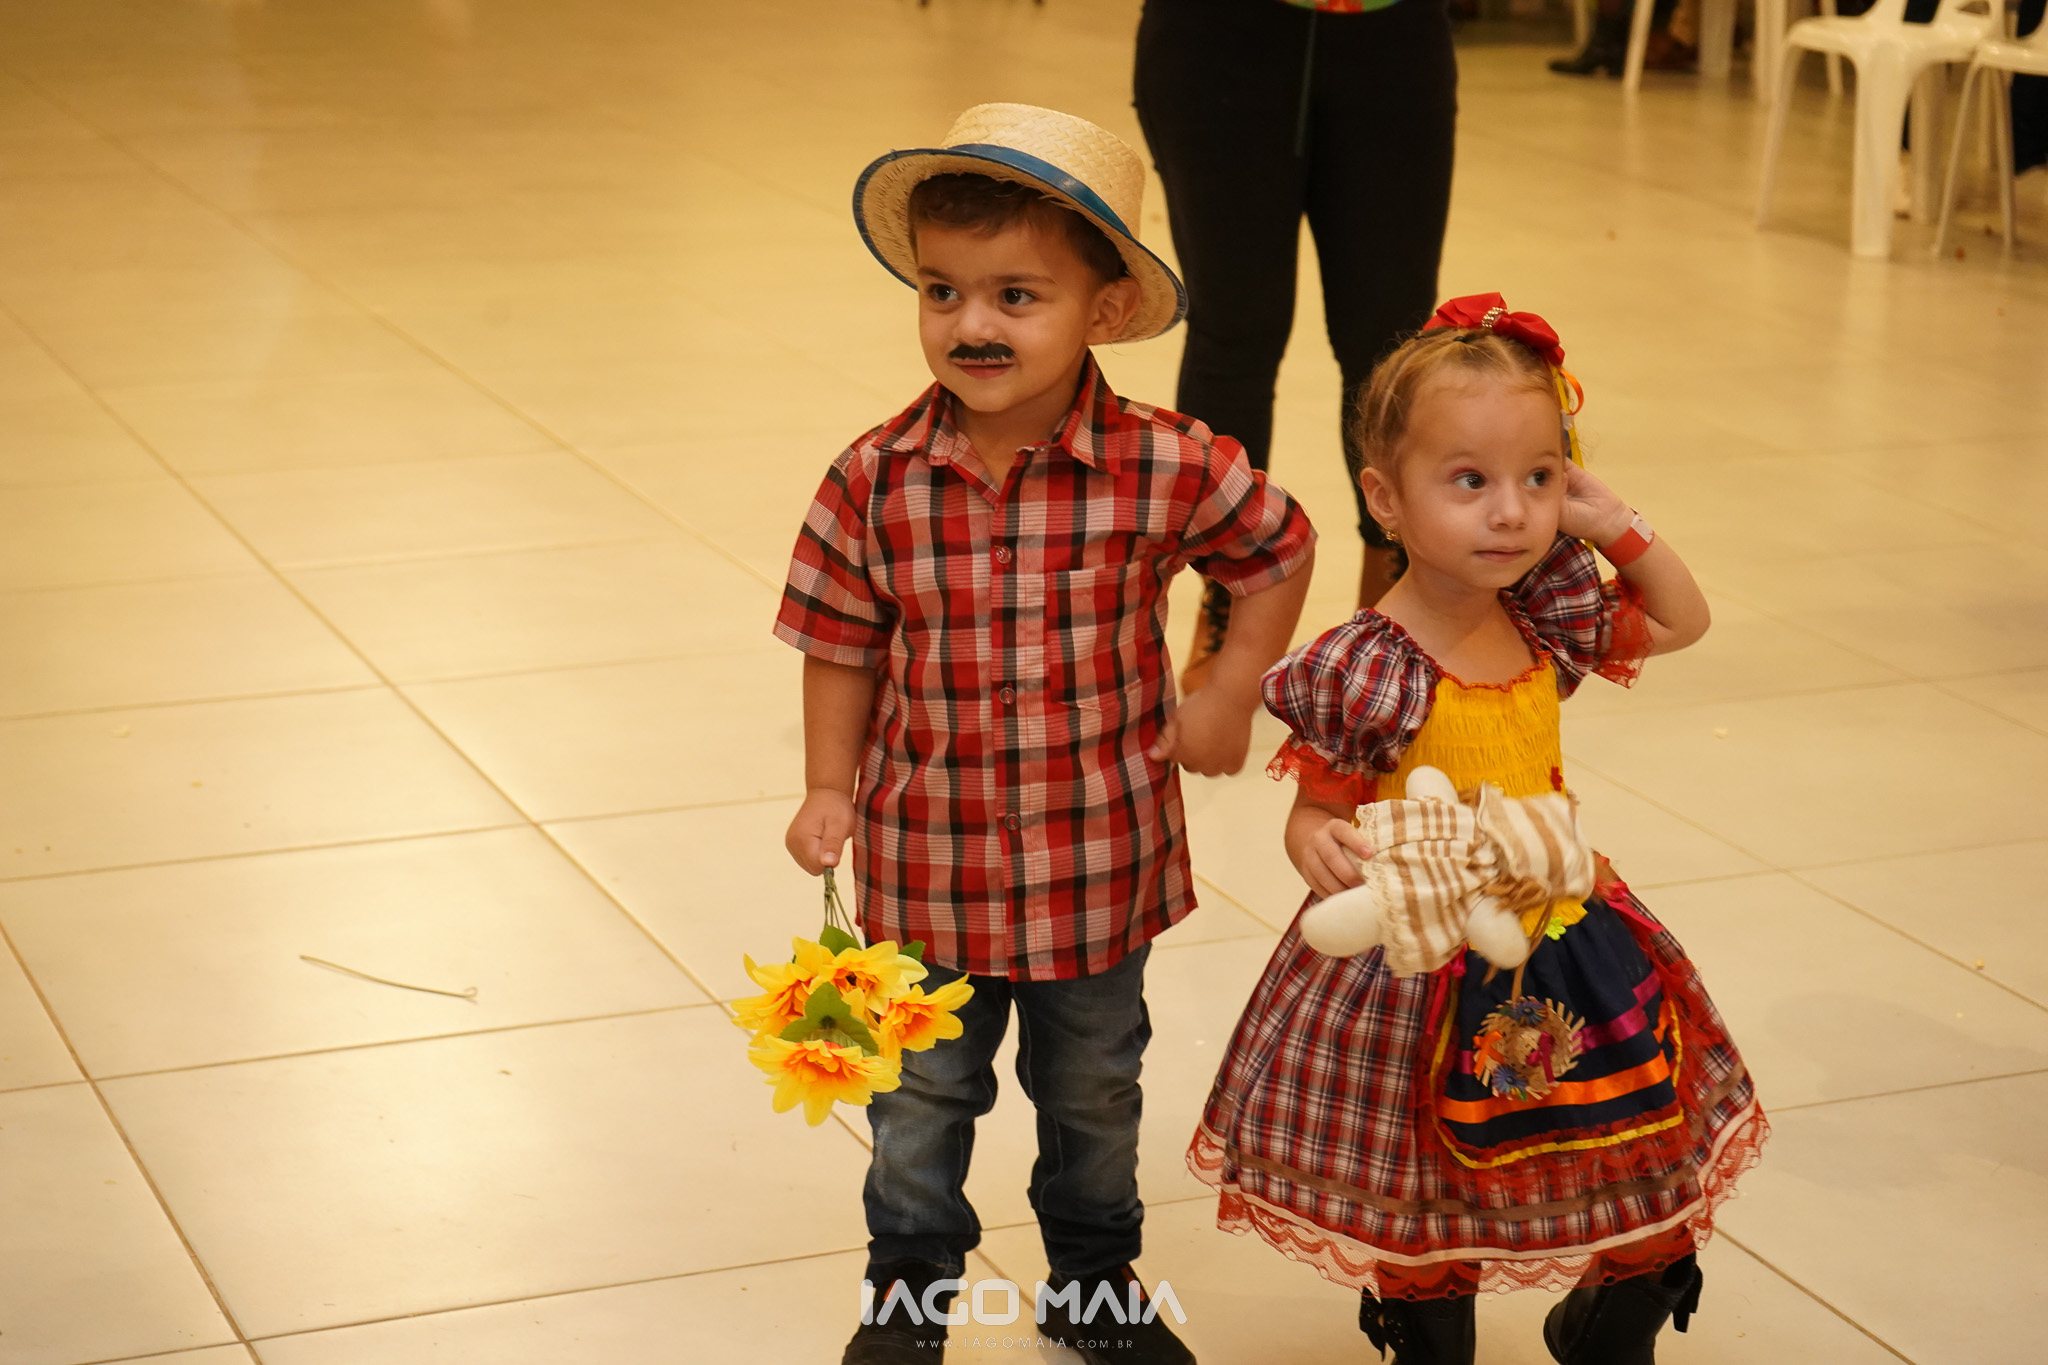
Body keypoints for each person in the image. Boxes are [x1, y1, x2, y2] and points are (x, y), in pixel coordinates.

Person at [776, 103, 1317, 1365]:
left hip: (1097, 864)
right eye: (942, 291)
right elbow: (838, 640)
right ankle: (909, 1289)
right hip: (928, 866)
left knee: (1092, 1090)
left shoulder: (1165, 463)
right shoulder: (872, 478)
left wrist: (1228, 687)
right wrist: (824, 784)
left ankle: (1091, 1282)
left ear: (1104, 309)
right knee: (920, 1097)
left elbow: (1278, 547)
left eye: (1015, 296)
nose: (971, 325)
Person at [1186, 295, 1767, 1363]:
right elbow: (1317, 807)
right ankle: (1427, 1332)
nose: (1511, 513)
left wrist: (1611, 523)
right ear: (1384, 499)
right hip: (1417, 965)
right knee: (1426, 1172)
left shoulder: (1545, 616)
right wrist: (1317, 843)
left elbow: (1679, 619)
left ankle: (1607, 1323)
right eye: (1469, 481)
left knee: (1628, 1136)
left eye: (1539, 478)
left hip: (1568, 933)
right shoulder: (1367, 665)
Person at [1132, 0, 1458, 691]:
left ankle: (1397, 592)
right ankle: (1229, 596)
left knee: (1389, 344)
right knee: (1233, 333)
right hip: (1220, 37)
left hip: (1392, 30)